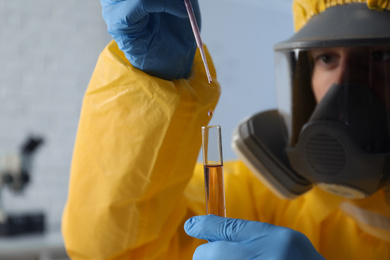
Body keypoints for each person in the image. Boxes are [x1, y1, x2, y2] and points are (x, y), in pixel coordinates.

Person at [62, 0, 390, 259]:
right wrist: (154, 83)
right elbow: (119, 252)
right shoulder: (263, 202)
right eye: (327, 58)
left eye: (379, 55)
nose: (343, 83)